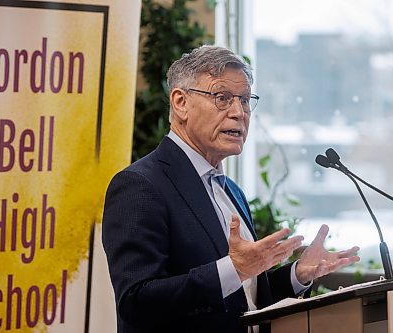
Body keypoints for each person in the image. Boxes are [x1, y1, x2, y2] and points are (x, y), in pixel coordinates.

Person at [102, 45, 360, 333]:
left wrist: (296, 276)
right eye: (222, 98)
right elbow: (136, 301)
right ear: (180, 103)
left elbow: (245, 300)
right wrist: (233, 269)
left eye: (246, 100)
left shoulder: (232, 192)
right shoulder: (140, 185)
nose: (239, 113)